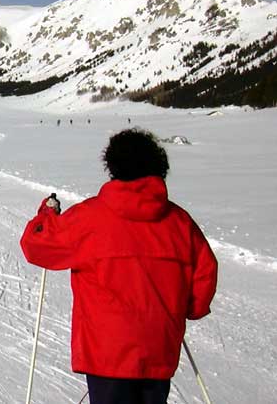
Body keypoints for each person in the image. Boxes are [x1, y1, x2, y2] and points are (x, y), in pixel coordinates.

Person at [20, 128, 218, 404]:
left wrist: (47, 213)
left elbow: (35, 244)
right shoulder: (180, 223)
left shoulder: (89, 219)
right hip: (159, 350)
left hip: (107, 356)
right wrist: (188, 308)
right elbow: (205, 272)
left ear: (112, 166)